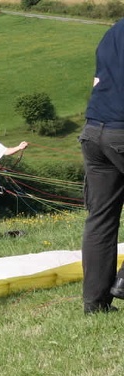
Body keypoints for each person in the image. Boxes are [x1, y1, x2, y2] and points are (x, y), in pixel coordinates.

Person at [80, 18, 124, 314]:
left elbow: (98, 81)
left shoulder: (112, 33)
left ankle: (95, 303)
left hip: (94, 131)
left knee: (101, 219)